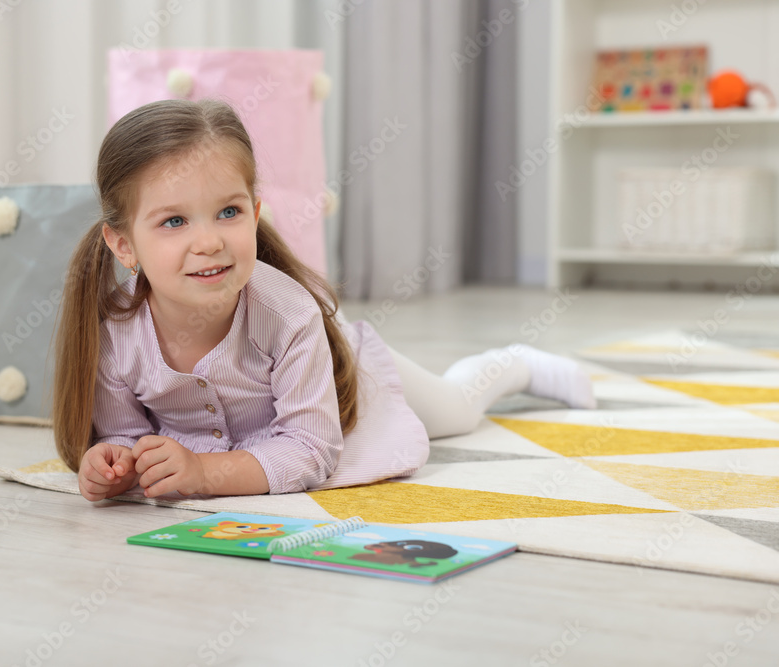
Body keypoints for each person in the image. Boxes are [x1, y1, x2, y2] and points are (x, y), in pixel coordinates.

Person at [51, 98, 596, 502]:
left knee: (456, 408)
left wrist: (204, 474)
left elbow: (311, 452)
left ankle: (515, 365)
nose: (210, 240)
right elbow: (125, 431)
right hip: (269, 419)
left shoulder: (288, 314)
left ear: (255, 211)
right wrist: (114, 460)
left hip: (343, 381)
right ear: (124, 245)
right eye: (174, 221)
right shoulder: (115, 332)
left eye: (229, 212)